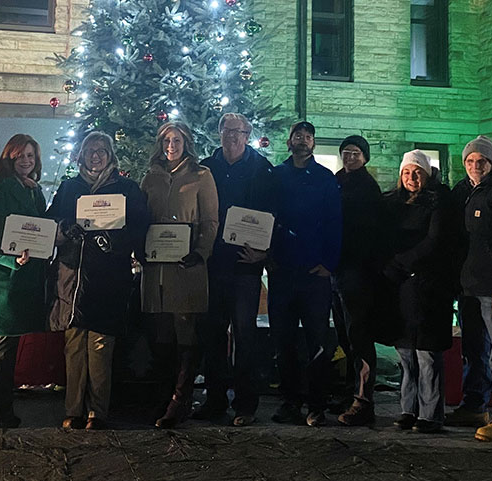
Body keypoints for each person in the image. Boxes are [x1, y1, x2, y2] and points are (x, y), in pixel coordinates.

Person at [48, 131, 148, 430]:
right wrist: (66, 229)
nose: (95, 155)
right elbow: (51, 221)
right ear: (80, 155)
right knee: (74, 344)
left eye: (102, 150)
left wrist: (117, 242)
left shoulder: (126, 188)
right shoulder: (69, 187)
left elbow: (140, 225)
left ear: (111, 155)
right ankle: (73, 409)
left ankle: (97, 411)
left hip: (108, 276)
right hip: (74, 276)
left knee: (101, 345)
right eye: (90, 150)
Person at [195, 113, 275, 426]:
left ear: (248, 134)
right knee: (213, 335)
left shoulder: (262, 168)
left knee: (245, 335)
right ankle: (215, 401)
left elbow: (272, 212)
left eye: (239, 132)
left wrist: (264, 251)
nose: (233, 137)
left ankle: (245, 405)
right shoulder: (206, 167)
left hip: (245, 265)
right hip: (213, 263)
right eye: (227, 131)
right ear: (219, 133)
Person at [140, 122, 219, 428]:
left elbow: (210, 220)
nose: (171, 145)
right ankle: (162, 396)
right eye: (166, 140)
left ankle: (180, 399)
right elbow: (142, 218)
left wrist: (200, 252)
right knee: (160, 336)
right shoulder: (151, 177)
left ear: (186, 142)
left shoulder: (202, 176)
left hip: (187, 268)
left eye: (176, 140)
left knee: (185, 335)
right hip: (156, 269)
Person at [446, 135, 492, 443]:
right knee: (474, 350)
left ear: (491, 163)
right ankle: (475, 404)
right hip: (467, 285)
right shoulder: (463, 191)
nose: (475, 166)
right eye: (470, 161)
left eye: (482, 161)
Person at [268, 121, 342, 427]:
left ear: (313, 144)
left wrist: (330, 263)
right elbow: (264, 218)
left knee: (317, 342)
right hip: (282, 271)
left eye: (308, 136)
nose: (303, 140)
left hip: (314, 274)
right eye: (298, 135)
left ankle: (316, 404)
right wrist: (266, 255)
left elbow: (335, 222)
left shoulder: (325, 179)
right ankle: (290, 401)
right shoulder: (275, 176)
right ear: (289, 142)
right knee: (283, 341)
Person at [378, 149, 453, 433]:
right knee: (406, 353)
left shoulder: (438, 202)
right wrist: (391, 267)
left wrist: (404, 263)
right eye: (407, 172)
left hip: (428, 285)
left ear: (427, 173)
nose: (411, 177)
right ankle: (408, 409)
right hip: (400, 286)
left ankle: (431, 413)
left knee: (427, 353)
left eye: (417, 172)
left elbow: (434, 240)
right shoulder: (393, 203)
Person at [0, 134, 48, 427]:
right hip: (6, 278)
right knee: (4, 347)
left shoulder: (33, 189)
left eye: (30, 156)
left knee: (10, 345)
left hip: (26, 277)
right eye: (20, 156)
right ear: (10, 158)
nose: (26, 162)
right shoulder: (3, 187)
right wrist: (10, 261)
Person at [333, 135, 382, 426]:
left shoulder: (367, 188)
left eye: (355, 153)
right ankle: (350, 391)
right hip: (336, 269)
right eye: (346, 152)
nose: (350, 157)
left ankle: (363, 400)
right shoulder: (337, 181)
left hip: (356, 271)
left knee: (359, 335)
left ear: (364, 157)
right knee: (345, 335)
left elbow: (370, 233)